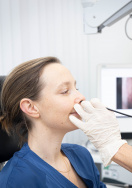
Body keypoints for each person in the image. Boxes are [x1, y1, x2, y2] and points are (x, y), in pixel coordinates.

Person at [0, 57, 106, 188]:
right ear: (31, 107)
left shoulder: (81, 155)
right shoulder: (16, 179)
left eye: (76, 88)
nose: (81, 97)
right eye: (65, 91)